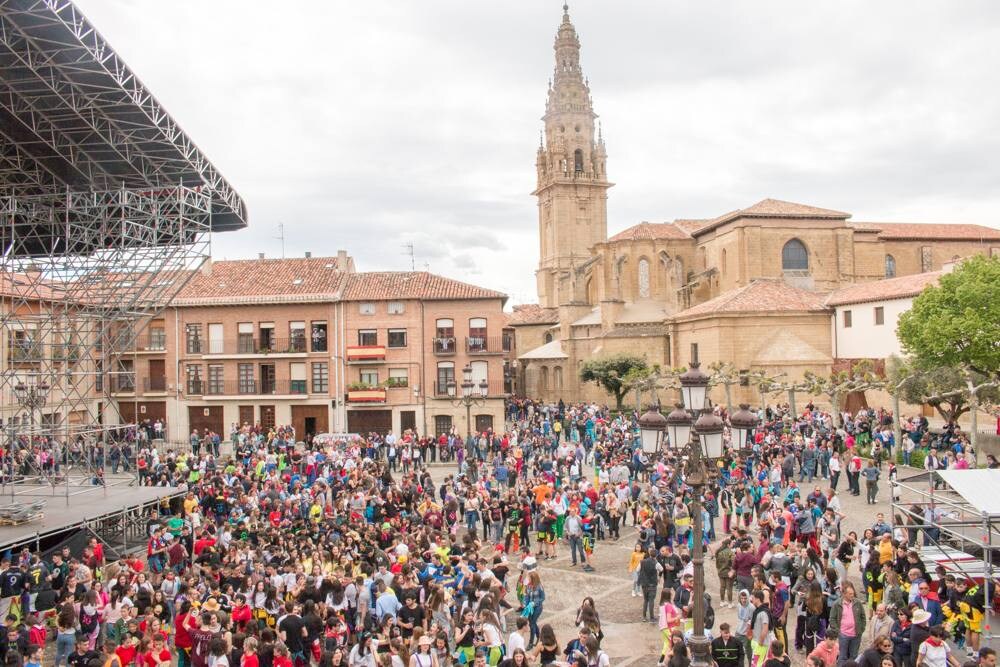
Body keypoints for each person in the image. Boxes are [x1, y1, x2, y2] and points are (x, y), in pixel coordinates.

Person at [829, 583, 866, 666]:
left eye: (853, 593)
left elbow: (863, 617)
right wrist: (838, 631)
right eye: (850, 594)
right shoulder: (837, 604)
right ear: (844, 594)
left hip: (856, 635)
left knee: (854, 656)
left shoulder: (857, 603)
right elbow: (832, 619)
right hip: (843, 635)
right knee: (842, 657)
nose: (852, 595)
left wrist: (861, 629)